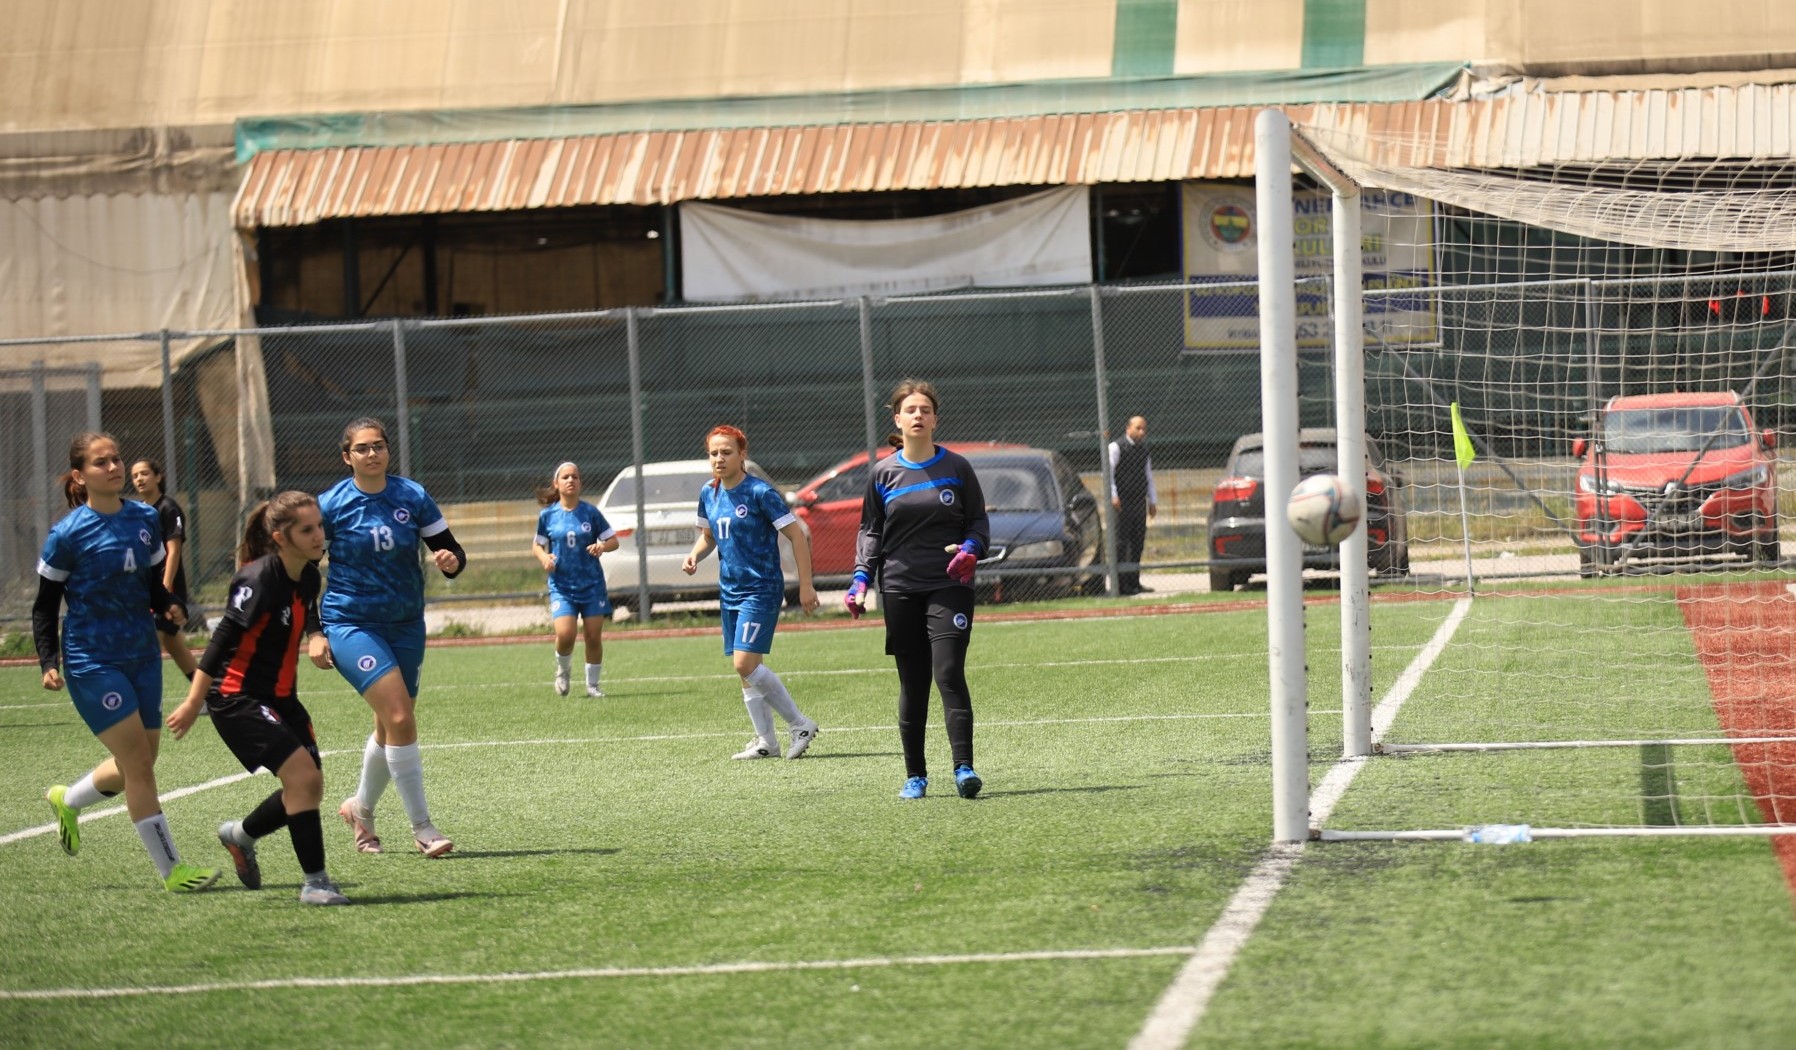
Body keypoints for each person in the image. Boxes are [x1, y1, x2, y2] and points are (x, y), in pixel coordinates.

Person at [34, 432, 219, 893]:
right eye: (102, 463)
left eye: (116, 459)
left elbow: (152, 582)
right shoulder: (68, 534)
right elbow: (44, 604)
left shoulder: (144, 518)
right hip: (92, 659)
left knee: (141, 757)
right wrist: (47, 659)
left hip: (141, 654)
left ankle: (68, 799)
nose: (115, 468)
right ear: (81, 476)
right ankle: (172, 870)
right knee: (139, 761)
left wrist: (169, 603)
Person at [166, 492, 350, 905]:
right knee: (303, 780)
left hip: (282, 698)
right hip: (236, 698)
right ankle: (316, 883)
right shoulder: (258, 578)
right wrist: (195, 700)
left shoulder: (308, 575)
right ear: (280, 536)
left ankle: (241, 835)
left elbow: (308, 611)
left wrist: (316, 634)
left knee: (308, 786)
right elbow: (221, 640)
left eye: (319, 526)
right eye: (307, 529)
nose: (319, 535)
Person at [312, 417, 466, 858]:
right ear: (347, 457)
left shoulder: (412, 495)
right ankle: (423, 828)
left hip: (404, 623)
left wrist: (450, 562)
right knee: (400, 718)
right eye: (362, 448)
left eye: (379, 445)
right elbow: (302, 571)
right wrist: (314, 632)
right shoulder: (331, 505)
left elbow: (453, 550)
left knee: (389, 725)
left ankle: (360, 810)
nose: (372, 453)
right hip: (350, 623)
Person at [844, 382, 990, 800]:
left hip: (949, 585)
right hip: (900, 587)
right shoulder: (883, 473)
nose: (918, 416)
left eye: (926, 409)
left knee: (947, 672)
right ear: (897, 419)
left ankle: (964, 768)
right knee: (912, 683)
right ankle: (916, 775)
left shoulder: (958, 468)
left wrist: (970, 550)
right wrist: (859, 580)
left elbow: (978, 522)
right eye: (911, 410)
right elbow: (871, 531)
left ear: (935, 419)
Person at [681, 425, 823, 761]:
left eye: (727, 452)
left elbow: (797, 535)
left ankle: (799, 723)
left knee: (744, 663)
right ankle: (766, 742)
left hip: (760, 588)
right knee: (747, 667)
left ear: (742, 455)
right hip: (729, 589)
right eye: (714, 453)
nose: (719, 458)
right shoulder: (709, 493)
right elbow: (709, 536)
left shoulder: (760, 493)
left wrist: (805, 584)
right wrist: (694, 554)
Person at [532, 462, 619, 697]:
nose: (571, 481)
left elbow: (614, 541)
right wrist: (544, 557)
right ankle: (563, 671)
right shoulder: (548, 516)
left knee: (593, 635)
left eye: (575, 477)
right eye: (566, 477)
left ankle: (592, 686)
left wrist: (602, 546)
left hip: (592, 585)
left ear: (580, 482)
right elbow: (537, 545)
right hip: (562, 586)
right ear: (556, 483)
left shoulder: (590, 513)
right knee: (566, 634)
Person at [130, 457, 201, 680]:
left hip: (167, 590)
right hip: (146, 589)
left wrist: (165, 587)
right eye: (134, 476)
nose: (139, 479)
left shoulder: (169, 508)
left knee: (151, 642)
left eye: (144, 473)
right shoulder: (138, 511)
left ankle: (139, 699)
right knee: (173, 643)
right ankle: (209, 696)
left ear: (158, 477)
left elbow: (174, 550)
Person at [1108, 415, 1158, 595]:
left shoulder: (1144, 450)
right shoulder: (1115, 447)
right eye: (1138, 428)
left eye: (1144, 428)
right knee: (1121, 543)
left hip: (1139, 502)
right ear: (1128, 428)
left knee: (1137, 542)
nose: (1142, 432)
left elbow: (1148, 476)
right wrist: (1113, 496)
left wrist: (1153, 501)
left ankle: (1134, 582)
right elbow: (1108, 474)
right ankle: (1120, 585)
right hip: (1121, 503)